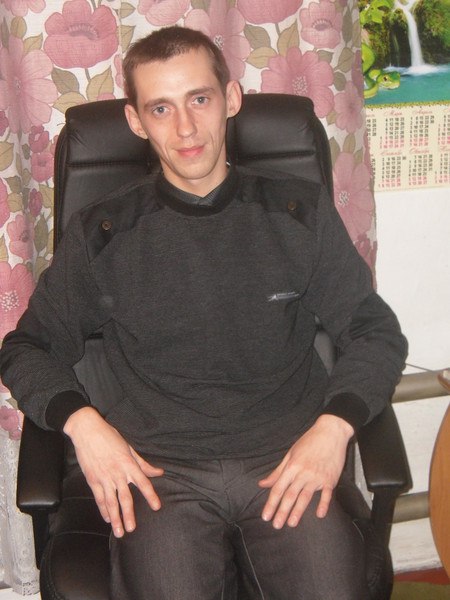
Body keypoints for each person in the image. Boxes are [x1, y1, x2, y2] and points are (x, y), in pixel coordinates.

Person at [0, 26, 407, 600]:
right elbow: (26, 349)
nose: (185, 128)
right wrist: (83, 425)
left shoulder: (298, 212)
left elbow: (374, 332)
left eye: (199, 99)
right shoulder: (104, 233)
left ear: (230, 99)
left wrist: (334, 427)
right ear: (135, 121)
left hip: (285, 459)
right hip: (159, 473)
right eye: (160, 108)